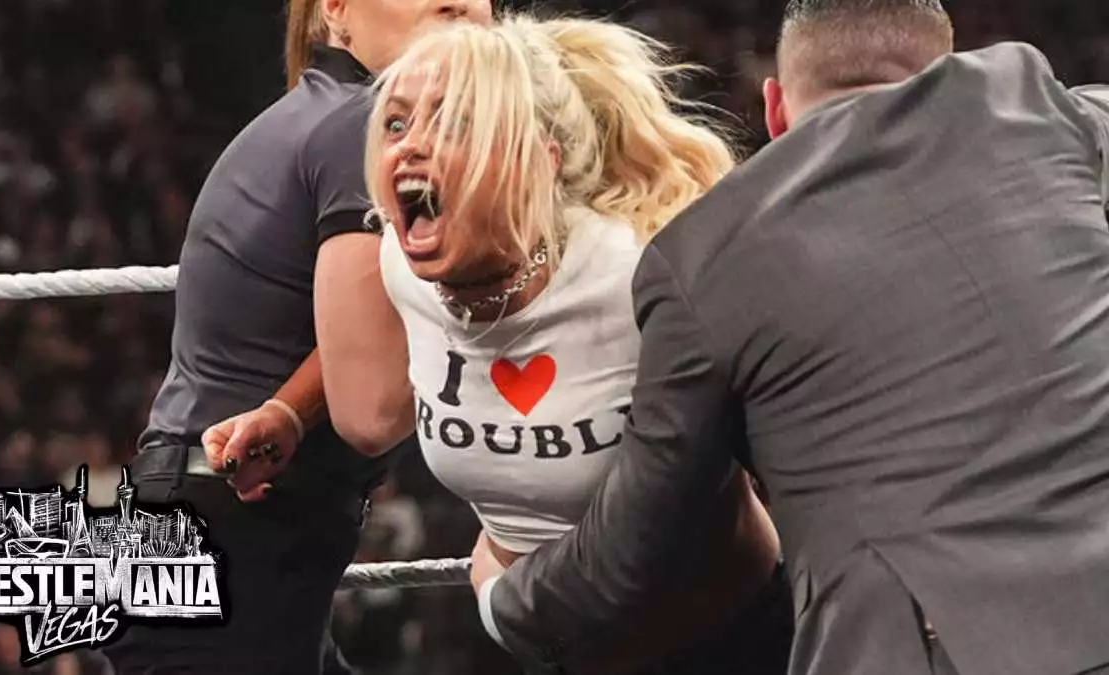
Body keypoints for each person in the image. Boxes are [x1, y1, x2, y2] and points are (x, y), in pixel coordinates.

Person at [471, 1, 1109, 675]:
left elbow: (638, 544)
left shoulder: (703, 254)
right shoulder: (1045, 110)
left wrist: (505, 599)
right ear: (943, 72)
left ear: (774, 109)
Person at [363, 15, 793, 674]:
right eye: (396, 124)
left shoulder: (641, 272)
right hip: (557, 648)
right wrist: (286, 412)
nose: (412, 146)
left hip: (730, 642)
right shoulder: (401, 265)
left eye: (454, 124)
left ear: (539, 160)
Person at [101, 1, 493, 674]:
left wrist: (288, 408)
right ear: (336, 10)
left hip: (219, 535)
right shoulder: (367, 125)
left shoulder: (324, 116)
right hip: (231, 540)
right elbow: (373, 408)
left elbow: (352, 340)